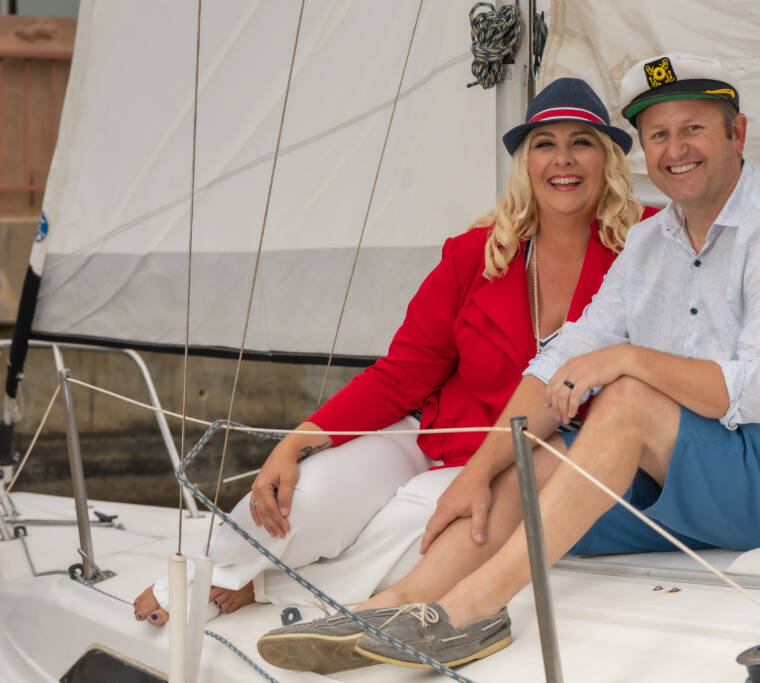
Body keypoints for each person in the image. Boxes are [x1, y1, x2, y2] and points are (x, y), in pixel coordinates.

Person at [342, 53, 760, 670]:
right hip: (692, 478)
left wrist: (626, 360)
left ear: (737, 133)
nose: (676, 149)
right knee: (531, 458)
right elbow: (564, 358)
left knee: (624, 401)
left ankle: (473, 611)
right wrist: (477, 470)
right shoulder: (649, 243)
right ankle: (396, 605)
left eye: (693, 128)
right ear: (643, 148)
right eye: (659, 135)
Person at [131, 77, 653, 632]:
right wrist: (301, 437)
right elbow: (404, 372)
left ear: (609, 158)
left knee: (426, 529)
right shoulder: (475, 253)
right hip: (433, 437)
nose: (563, 160)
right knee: (309, 494)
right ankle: (204, 574)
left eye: (582, 142)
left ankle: (260, 584)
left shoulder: (646, 248)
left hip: (531, 460)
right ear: (526, 161)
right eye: (545, 143)